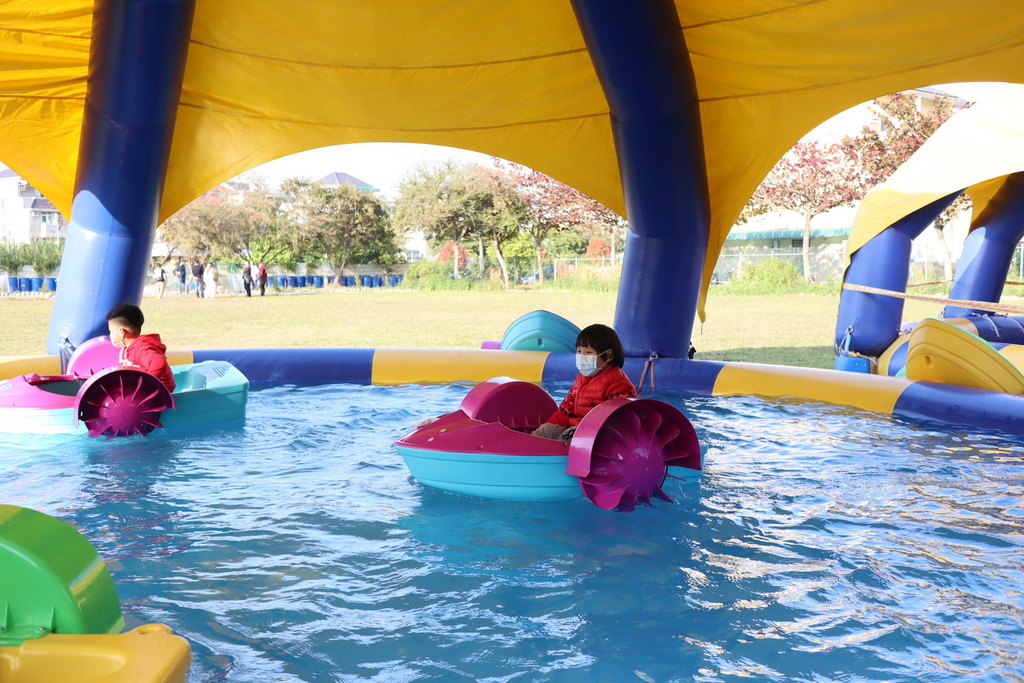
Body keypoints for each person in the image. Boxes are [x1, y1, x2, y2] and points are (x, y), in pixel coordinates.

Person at [532, 324, 637, 441]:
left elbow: (619, 420)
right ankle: (528, 450)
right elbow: (565, 412)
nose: (582, 356)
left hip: (599, 436)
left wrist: (584, 430)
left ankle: (555, 457)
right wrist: (550, 428)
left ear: (608, 355)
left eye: (588, 352)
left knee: (568, 437)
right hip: (576, 429)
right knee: (546, 430)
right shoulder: (581, 379)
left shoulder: (617, 382)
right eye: (579, 351)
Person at [105, 302, 175, 392]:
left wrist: (145, 385)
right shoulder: (129, 348)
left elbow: (159, 362)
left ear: (122, 332)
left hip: (160, 392)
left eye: (111, 331)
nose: (110, 335)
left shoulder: (141, 348)